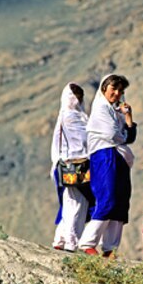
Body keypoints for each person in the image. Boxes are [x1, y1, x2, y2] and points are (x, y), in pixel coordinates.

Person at [76, 74, 137, 256]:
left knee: (120, 202)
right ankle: (88, 243)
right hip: (105, 155)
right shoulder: (101, 109)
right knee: (107, 198)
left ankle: (110, 248)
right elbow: (112, 135)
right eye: (113, 89)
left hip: (119, 157)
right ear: (104, 89)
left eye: (120, 91)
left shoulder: (115, 112)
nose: (117, 94)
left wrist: (127, 117)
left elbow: (129, 137)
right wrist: (123, 135)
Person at [50, 82, 93, 251]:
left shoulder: (81, 117)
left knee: (70, 203)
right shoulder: (69, 117)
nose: (76, 101)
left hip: (78, 166)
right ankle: (71, 242)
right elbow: (81, 141)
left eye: (79, 98)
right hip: (73, 166)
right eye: (73, 97)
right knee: (76, 204)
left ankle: (60, 239)